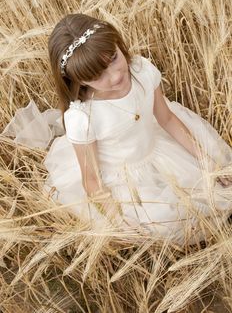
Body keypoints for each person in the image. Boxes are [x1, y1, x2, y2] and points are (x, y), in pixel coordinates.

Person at [3, 13, 232, 245]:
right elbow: (91, 180)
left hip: (158, 149)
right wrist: (118, 219)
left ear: (118, 44)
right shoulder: (84, 118)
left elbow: (167, 119)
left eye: (113, 58)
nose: (114, 77)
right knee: (163, 221)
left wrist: (207, 162)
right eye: (96, 76)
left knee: (212, 187)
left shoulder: (142, 71)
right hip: (124, 178)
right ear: (78, 81)